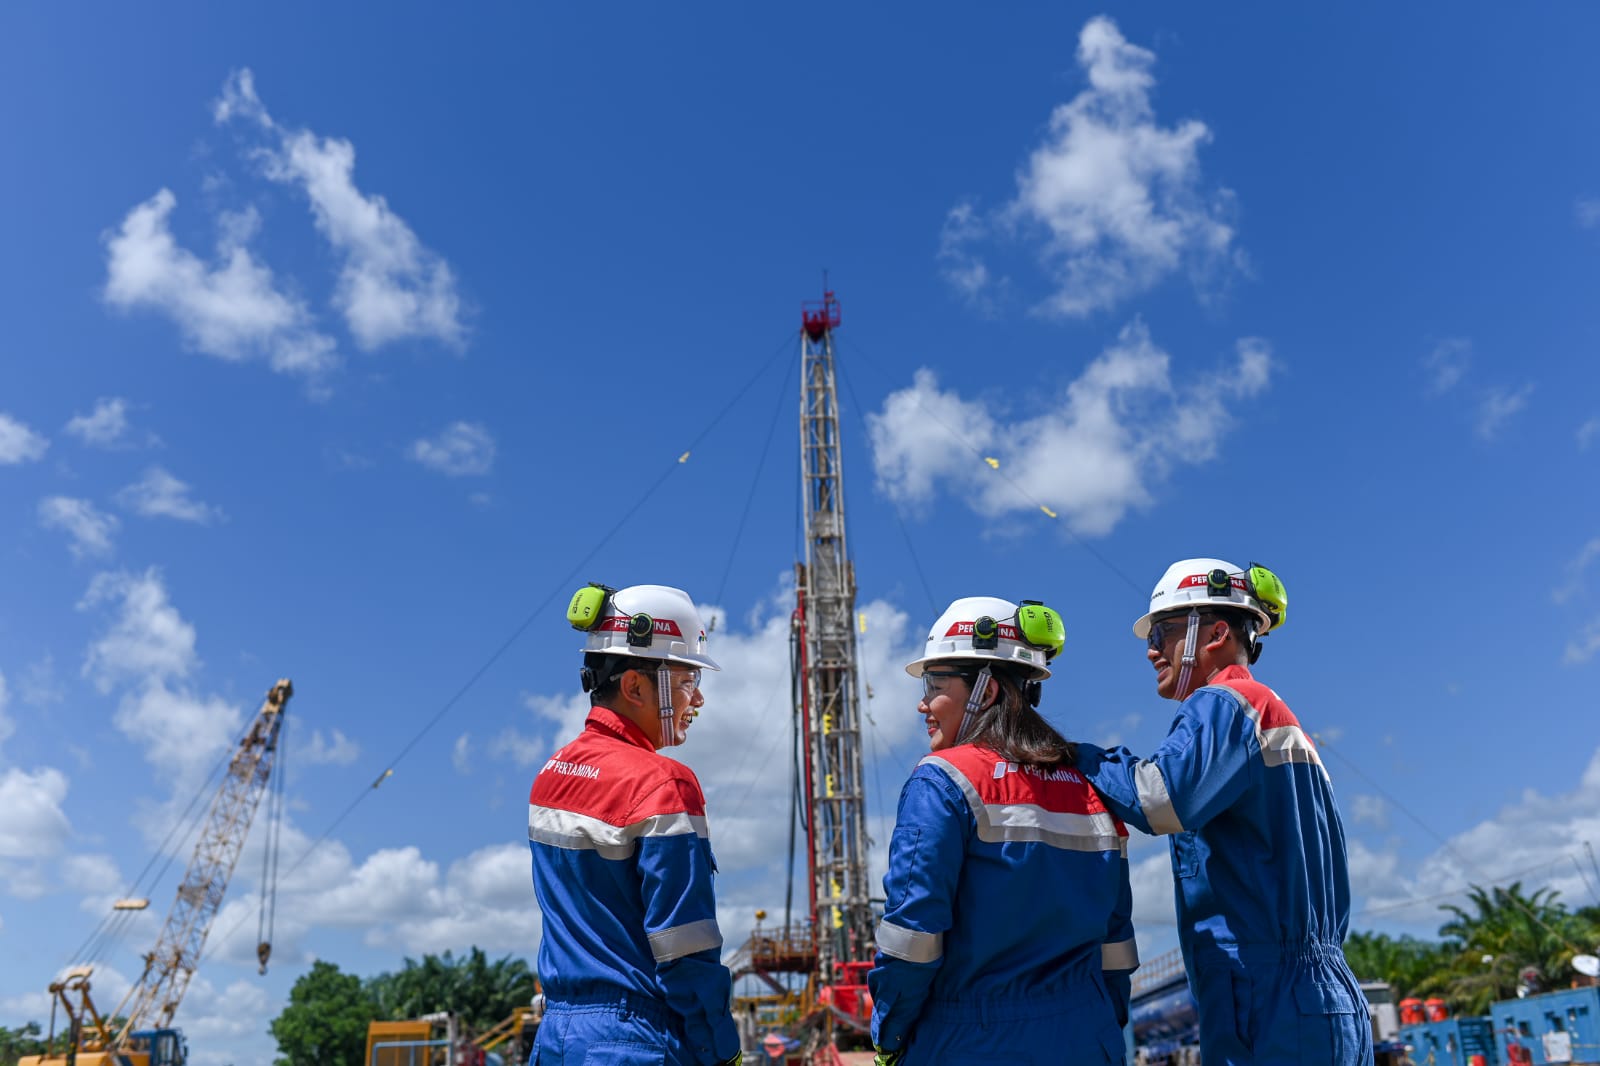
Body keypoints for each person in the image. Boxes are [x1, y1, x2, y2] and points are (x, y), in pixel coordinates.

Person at [1076, 559, 1371, 1064]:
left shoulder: (1226, 703)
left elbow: (1159, 799)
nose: (1151, 650)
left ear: (1215, 634)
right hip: (1316, 995)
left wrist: (1076, 758)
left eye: (1163, 632)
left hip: (1268, 999)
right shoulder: (1276, 720)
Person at [868, 597, 1138, 1065]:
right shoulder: (1092, 785)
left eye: (935, 684)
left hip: (971, 1042)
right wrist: (1097, 1024)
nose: (922, 703)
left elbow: (913, 937)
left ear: (986, 690)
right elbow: (1115, 943)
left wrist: (889, 1037)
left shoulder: (942, 781)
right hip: (1089, 1037)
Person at [527, 583, 741, 1066]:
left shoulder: (550, 775)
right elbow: (685, 947)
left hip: (556, 1039)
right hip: (635, 1040)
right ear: (635, 686)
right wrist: (721, 1050)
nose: (697, 699)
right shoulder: (664, 783)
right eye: (686, 681)